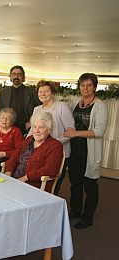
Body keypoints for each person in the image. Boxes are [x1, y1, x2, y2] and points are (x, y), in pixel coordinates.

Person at [63, 73, 108, 229]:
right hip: (75, 150)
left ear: (94, 87)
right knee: (75, 183)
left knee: (90, 185)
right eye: (83, 85)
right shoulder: (77, 102)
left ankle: (87, 217)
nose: (85, 88)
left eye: (89, 85)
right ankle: (75, 211)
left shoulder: (100, 105)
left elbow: (99, 131)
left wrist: (74, 133)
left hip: (90, 151)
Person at [28, 80, 75, 195]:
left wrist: (52, 145)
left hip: (59, 152)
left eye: (46, 91)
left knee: (51, 185)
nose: (43, 94)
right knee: (34, 181)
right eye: (40, 91)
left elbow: (71, 130)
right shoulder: (37, 109)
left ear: (53, 93)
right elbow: (32, 130)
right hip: (38, 152)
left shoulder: (61, 107)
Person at [5, 111, 63, 193]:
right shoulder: (28, 140)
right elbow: (14, 158)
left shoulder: (55, 146)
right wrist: (8, 172)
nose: (37, 130)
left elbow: (50, 170)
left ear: (49, 130)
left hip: (33, 187)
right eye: (34, 127)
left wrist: (25, 178)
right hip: (15, 181)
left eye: (41, 127)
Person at [0, 65, 41, 136]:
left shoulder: (32, 92)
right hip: (8, 127)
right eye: (14, 74)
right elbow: (0, 110)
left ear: (23, 77)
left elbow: (40, 109)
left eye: (19, 74)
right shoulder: (3, 92)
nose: (16, 77)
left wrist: (31, 122)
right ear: (10, 77)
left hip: (26, 127)